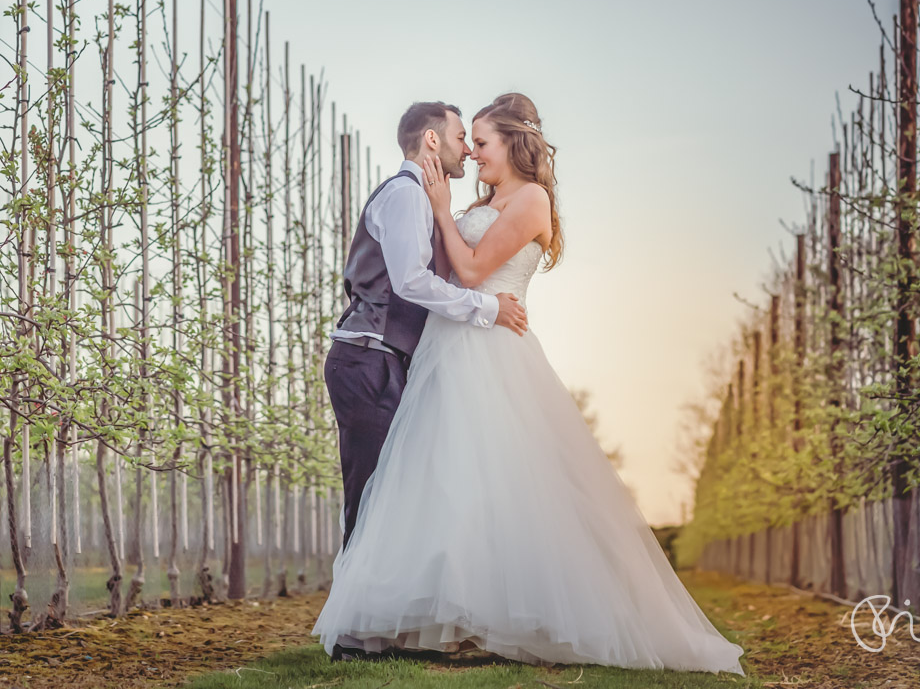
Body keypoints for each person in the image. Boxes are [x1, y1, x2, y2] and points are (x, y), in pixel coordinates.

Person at [313, 92, 746, 676]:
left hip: (485, 347)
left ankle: (467, 614)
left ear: (513, 144)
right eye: (468, 140)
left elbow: (467, 270)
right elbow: (430, 273)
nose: (474, 151)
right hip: (444, 346)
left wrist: (443, 211)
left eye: (482, 142)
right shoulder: (453, 197)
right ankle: (418, 618)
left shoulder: (530, 199)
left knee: (494, 480)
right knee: (435, 482)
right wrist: (443, 216)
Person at [324, 101, 528, 550]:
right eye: (461, 138)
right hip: (368, 359)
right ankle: (352, 620)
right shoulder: (404, 194)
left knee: (393, 497)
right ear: (432, 140)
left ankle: (373, 614)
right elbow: (413, 281)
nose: (468, 152)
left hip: (387, 360)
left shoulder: (424, 199)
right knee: (370, 497)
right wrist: (488, 308)